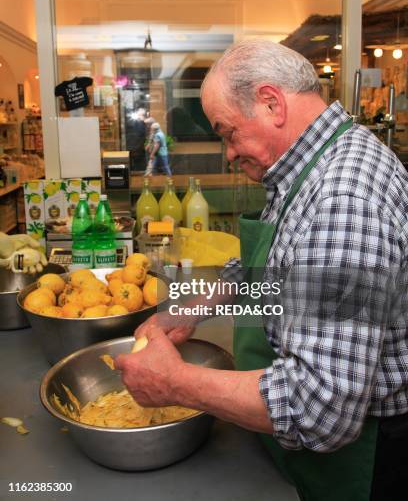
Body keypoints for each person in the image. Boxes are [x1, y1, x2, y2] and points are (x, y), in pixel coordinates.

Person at [115, 40, 408, 501]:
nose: (228, 153)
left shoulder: (343, 197)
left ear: (271, 103)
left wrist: (176, 383)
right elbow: (289, 277)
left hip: (363, 463)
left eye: (228, 133)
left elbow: (321, 406)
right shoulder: (309, 164)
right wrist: (194, 306)